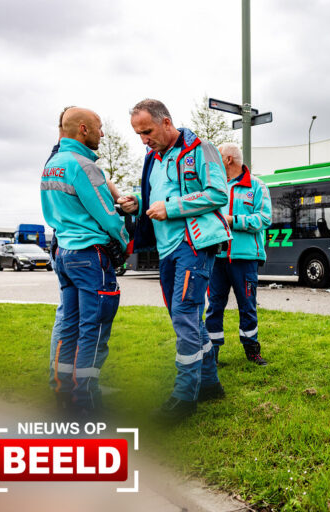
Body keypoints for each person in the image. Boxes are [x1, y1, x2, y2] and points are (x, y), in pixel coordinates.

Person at [118, 99, 231, 422]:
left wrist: (173, 207)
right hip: (166, 248)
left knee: (184, 314)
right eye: (138, 134)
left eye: (147, 131)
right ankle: (209, 385)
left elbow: (218, 194)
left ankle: (184, 396)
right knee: (188, 317)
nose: (143, 139)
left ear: (166, 122)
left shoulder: (202, 148)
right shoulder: (153, 157)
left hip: (194, 243)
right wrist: (136, 202)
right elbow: (157, 196)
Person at [40, 107, 129, 417]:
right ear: (83, 129)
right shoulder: (84, 166)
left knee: (67, 325)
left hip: (64, 254)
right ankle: (85, 399)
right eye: (100, 128)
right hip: (90, 257)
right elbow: (106, 214)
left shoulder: (52, 165)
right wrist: (124, 239)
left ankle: (62, 391)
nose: (102, 134)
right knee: (93, 328)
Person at [205, 143, 272, 366]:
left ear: (229, 160)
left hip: (245, 259)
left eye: (218, 158)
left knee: (247, 305)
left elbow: (264, 219)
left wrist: (235, 221)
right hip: (217, 257)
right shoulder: (215, 186)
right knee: (214, 305)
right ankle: (212, 354)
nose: (215, 163)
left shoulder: (257, 186)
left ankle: (252, 350)